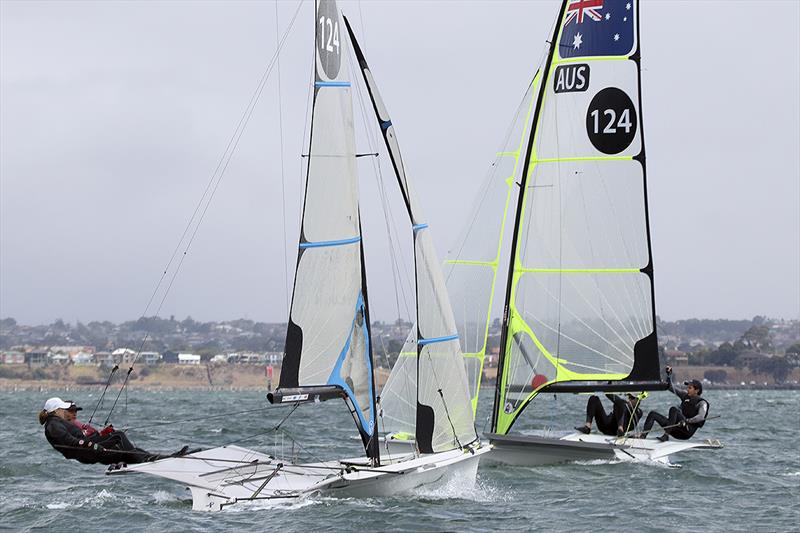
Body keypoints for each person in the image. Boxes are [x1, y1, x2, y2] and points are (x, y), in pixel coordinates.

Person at [39, 397, 188, 465]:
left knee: (122, 445)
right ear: (57, 410)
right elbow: (70, 442)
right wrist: (91, 445)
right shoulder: (53, 425)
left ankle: (157, 458)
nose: (66, 412)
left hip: (85, 451)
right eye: (63, 409)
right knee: (118, 436)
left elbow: (73, 439)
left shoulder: (56, 422)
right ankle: (146, 460)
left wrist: (95, 439)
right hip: (85, 451)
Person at [639, 366, 710, 442]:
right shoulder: (684, 395)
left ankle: (666, 436)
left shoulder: (702, 403)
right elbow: (670, 387)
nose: (687, 389)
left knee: (674, 409)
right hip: (675, 428)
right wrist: (669, 376)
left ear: (697, 390)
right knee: (653, 414)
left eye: (690, 388)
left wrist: (687, 421)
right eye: (688, 387)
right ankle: (642, 437)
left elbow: (700, 417)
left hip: (686, 431)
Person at [575, 392, 644, 437]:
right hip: (606, 425)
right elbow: (611, 396)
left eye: (632, 398)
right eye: (629, 397)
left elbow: (631, 425)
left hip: (617, 431)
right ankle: (587, 427)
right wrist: (608, 387)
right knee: (594, 398)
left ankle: (620, 429)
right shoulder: (624, 404)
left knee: (621, 403)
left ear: (638, 400)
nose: (629, 399)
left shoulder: (639, 413)